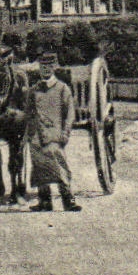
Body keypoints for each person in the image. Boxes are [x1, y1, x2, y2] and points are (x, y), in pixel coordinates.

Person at [26, 52, 81, 212]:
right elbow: (28, 113)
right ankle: (44, 201)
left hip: (54, 134)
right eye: (43, 66)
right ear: (39, 68)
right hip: (37, 135)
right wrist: (29, 133)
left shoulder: (63, 89)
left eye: (49, 66)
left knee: (59, 165)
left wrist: (65, 133)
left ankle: (68, 199)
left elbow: (70, 113)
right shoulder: (33, 90)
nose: (46, 70)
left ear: (55, 68)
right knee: (39, 166)